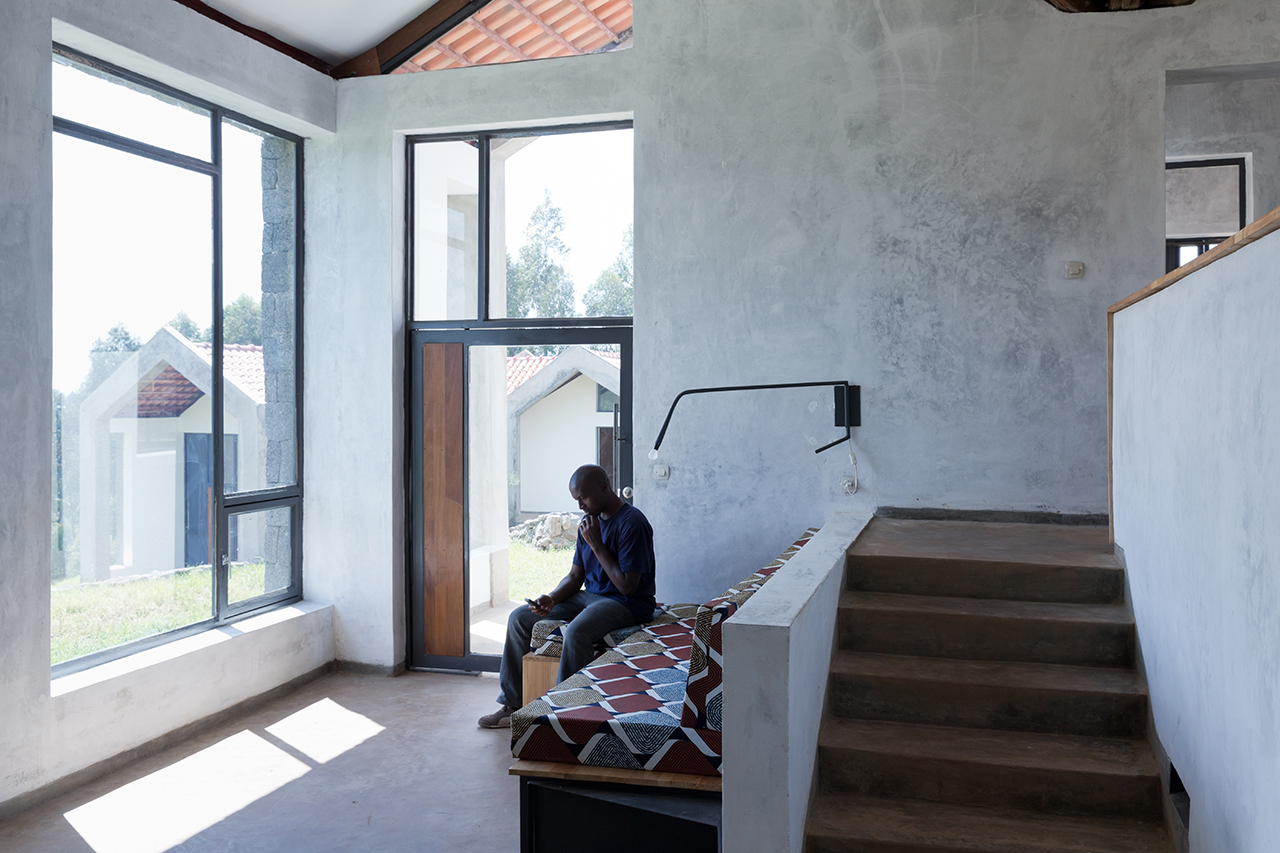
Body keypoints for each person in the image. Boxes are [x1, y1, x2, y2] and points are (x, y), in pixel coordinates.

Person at [478, 464, 656, 728]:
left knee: (576, 632)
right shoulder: (588, 524)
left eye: (583, 498)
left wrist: (596, 544)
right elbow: (575, 577)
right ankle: (512, 705)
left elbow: (627, 587)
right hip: (592, 596)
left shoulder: (632, 523)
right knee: (518, 618)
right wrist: (551, 598)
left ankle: (563, 715)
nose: (581, 506)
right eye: (576, 500)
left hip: (627, 603)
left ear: (603, 487)